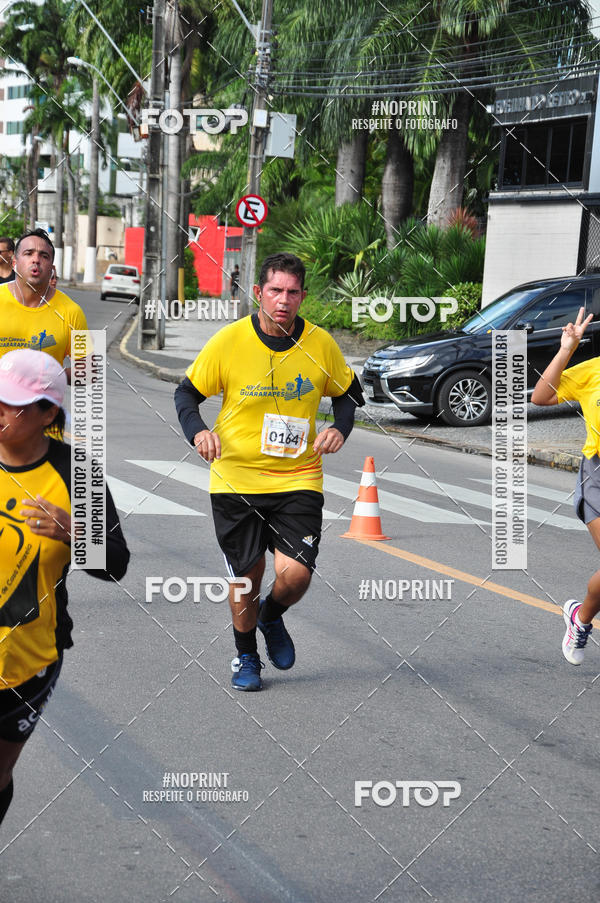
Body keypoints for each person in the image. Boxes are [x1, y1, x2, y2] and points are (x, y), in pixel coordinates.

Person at [175, 252, 363, 691]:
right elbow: (186, 394)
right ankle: (245, 657)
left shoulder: (319, 344)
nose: (283, 301)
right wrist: (199, 433)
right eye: (275, 291)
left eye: (292, 292)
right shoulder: (230, 341)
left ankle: (270, 615)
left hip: (298, 478)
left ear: (302, 296)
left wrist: (339, 428)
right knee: (247, 576)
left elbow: (349, 394)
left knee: (295, 576)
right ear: (259, 292)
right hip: (235, 479)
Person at [0, 349, 130, 828]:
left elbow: (115, 564)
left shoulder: (76, 472)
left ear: (48, 413)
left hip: (29, 658)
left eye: (10, 403)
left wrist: (76, 532)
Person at [532, 306, 598, 664]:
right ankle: (580, 620)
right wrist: (566, 349)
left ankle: (580, 617)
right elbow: (541, 397)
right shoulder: (594, 370)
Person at [0, 229, 87, 381]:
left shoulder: (73, 311)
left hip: (42, 403)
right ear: (14, 262)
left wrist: (54, 374)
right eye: (28, 253)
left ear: (52, 267)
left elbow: (90, 370)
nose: (36, 260)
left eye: (44, 256)